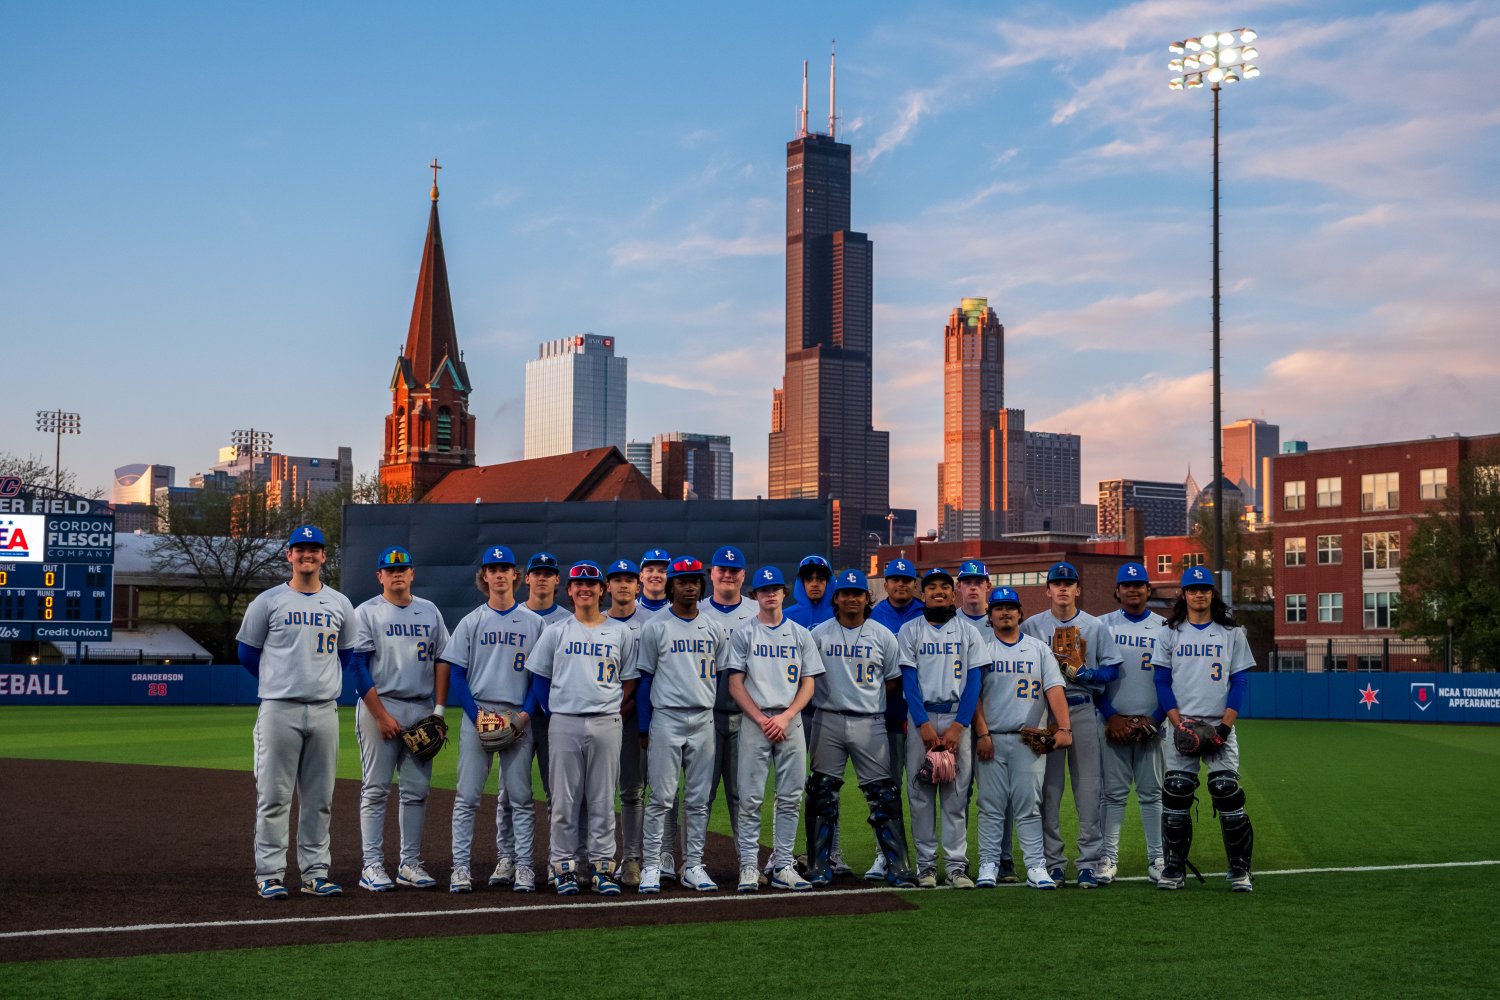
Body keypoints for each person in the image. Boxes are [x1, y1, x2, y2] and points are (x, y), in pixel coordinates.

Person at [237, 524, 358, 900]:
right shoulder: (268, 601)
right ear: (288, 555)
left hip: (324, 710)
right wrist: (278, 681)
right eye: (300, 549)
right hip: (279, 710)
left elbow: (348, 654)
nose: (307, 554)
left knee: (319, 799)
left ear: (324, 556)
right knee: (273, 797)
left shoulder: (339, 603)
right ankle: (270, 874)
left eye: (314, 549)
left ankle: (315, 873)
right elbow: (246, 653)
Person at [526, 560, 639, 896]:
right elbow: (539, 678)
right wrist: (553, 710)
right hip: (564, 721)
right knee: (563, 801)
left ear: (601, 590)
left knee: (603, 799)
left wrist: (614, 707)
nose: (585, 589)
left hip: (606, 721)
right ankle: (563, 868)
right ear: (571, 590)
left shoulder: (619, 631)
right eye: (579, 584)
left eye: (591, 584)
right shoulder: (556, 631)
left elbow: (630, 679)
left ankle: (603, 868)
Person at [439, 545, 545, 894]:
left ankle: (524, 867)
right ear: (484, 577)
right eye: (492, 569)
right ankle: (460, 869)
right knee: (467, 796)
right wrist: (477, 716)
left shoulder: (535, 623)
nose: (499, 574)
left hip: (518, 715)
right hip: (479, 711)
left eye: (504, 568)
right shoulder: (472, 621)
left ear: (516, 575)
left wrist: (525, 716)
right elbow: (456, 675)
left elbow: (539, 678)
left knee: (521, 797)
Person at [805, 569, 916, 888]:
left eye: (857, 593)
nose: (851, 598)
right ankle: (819, 863)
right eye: (845, 593)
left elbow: (894, 681)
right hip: (828, 718)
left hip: (870, 720)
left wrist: (867, 697)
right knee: (822, 792)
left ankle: (897, 864)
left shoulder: (881, 634)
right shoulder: (819, 634)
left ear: (867, 599)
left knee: (883, 794)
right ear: (836, 598)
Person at [351, 546, 450, 893]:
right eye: (389, 570)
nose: (397, 573)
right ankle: (372, 865)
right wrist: (380, 716)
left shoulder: (430, 611)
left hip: (420, 708)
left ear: (412, 574)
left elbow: (442, 660)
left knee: (416, 791)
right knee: (376, 789)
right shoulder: (366, 613)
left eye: (403, 568)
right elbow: (358, 667)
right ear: (379, 576)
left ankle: (409, 863)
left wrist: (438, 711)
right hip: (381, 704)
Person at [1153, 566, 1256, 893]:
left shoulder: (1232, 632)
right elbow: (1161, 681)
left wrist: (1224, 728)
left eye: (1205, 589)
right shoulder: (1170, 632)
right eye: (1193, 589)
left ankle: (1240, 869)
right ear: (1183, 594)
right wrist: (1177, 724)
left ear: (1213, 593)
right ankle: (1173, 868)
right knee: (1177, 792)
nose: (1200, 594)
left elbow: (1239, 681)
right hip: (1181, 726)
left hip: (1219, 725)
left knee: (1227, 792)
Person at [1021, 561, 1122, 889]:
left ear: (1078, 589)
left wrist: (1087, 674)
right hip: (1045, 713)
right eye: (1057, 583)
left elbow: (1112, 670)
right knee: (1048, 792)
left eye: (1069, 583)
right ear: (1047, 590)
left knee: (1089, 790)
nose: (1063, 588)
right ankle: (1054, 862)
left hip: (1082, 708)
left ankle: (1089, 863)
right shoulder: (1032, 626)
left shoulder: (1094, 626)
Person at [726, 566, 824, 892]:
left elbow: (808, 683)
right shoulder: (744, 634)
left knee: (791, 797)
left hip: (790, 719)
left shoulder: (800, 633)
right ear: (755, 595)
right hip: (756, 721)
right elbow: (735, 684)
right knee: (750, 798)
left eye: (776, 589)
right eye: (764, 589)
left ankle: (782, 864)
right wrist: (761, 718)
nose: (770, 594)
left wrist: (786, 716)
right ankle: (749, 867)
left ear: (784, 593)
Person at [633, 555, 727, 893]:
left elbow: (717, 674)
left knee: (699, 799)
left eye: (694, 581)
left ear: (701, 586)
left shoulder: (714, 627)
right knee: (661, 797)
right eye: (682, 580)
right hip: (666, 718)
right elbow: (644, 681)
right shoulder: (655, 626)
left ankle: (694, 865)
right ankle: (653, 866)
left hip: (702, 717)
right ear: (671, 586)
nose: (689, 586)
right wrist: (644, 728)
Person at [972, 586, 1073, 890]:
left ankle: (1035, 866)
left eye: (1010, 608)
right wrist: (982, 733)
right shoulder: (982, 647)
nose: (1005, 612)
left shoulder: (1038, 648)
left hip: (1029, 741)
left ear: (1019, 613)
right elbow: (972, 695)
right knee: (990, 805)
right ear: (990, 616)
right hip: (993, 737)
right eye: (999, 608)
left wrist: (1065, 728)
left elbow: (1054, 689)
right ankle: (988, 864)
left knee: (1029, 805)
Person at [896, 567, 988, 890]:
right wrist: (921, 723)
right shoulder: (909, 631)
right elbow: (909, 679)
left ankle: (956, 866)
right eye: (931, 587)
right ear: (924, 594)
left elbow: (974, 682)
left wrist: (959, 726)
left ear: (953, 593)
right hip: (921, 719)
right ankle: (925, 866)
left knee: (956, 794)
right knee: (920, 795)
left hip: (955, 719)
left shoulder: (969, 632)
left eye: (944, 587)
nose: (938, 591)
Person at [1097, 562, 1167, 885]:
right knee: (1113, 795)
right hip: (1112, 723)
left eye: (1139, 585)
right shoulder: (1102, 626)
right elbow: (1094, 681)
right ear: (1117, 591)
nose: (1133, 589)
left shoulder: (1166, 627)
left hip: (1153, 726)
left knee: (1153, 794)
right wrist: (1112, 716)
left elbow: (1172, 681)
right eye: (1127, 585)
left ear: (1149, 590)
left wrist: (1155, 719)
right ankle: (1108, 857)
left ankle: (1158, 858)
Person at [866, 557, 924, 882]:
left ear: (914, 584)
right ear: (885, 584)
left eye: (906, 580)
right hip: (883, 717)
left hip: (919, 719)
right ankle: (883, 855)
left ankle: (922, 858)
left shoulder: (925, 615)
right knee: (886, 791)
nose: (901, 585)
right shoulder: (873, 617)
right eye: (895, 580)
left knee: (920, 793)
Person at [697, 545, 756, 858]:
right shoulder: (697, 610)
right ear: (712, 574)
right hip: (706, 715)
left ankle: (747, 861)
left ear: (743, 575)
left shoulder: (758, 612)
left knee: (741, 794)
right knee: (701, 794)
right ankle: (694, 861)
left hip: (746, 717)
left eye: (735, 570)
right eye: (723, 569)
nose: (728, 574)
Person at [605, 558, 658, 887]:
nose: (623, 585)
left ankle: (643, 858)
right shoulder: (594, 622)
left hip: (643, 717)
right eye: (616, 579)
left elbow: (647, 675)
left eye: (628, 579)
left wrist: (623, 711)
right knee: (610, 792)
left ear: (637, 585)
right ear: (606, 587)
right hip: (604, 717)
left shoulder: (653, 621)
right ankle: (610, 857)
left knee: (646, 791)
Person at [783, 554, 835, 628]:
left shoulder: (840, 615)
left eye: (820, 579)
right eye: (808, 579)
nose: (814, 584)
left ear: (828, 583)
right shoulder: (786, 617)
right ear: (801, 583)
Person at [637, 548, 672, 613]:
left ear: (670, 576)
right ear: (641, 576)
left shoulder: (679, 610)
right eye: (650, 570)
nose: (655, 575)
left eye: (662, 571)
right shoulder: (629, 610)